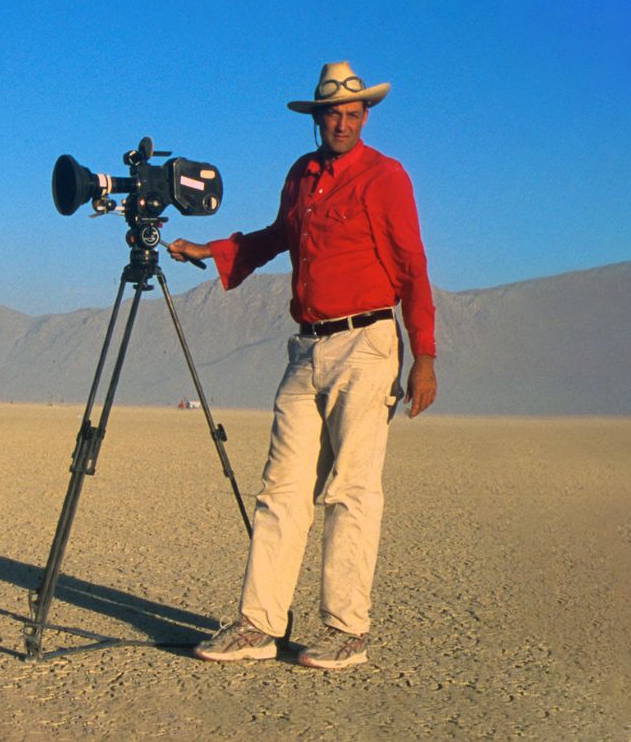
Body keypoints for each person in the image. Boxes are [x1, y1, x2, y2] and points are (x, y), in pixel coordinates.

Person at [168, 61, 437, 670]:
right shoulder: (302, 176)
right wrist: (209, 250)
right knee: (281, 490)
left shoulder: (385, 177)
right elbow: (274, 238)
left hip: (367, 345)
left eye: (351, 113)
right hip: (307, 347)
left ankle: (347, 630)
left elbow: (413, 265)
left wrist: (424, 355)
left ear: (364, 116)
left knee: (352, 490)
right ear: (315, 119)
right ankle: (258, 626)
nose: (341, 122)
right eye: (330, 114)